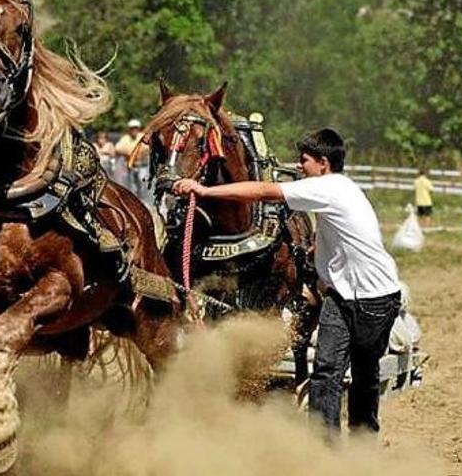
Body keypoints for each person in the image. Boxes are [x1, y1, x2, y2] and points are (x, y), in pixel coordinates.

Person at [173, 128, 402, 436]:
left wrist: (204, 191)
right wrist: (318, 249)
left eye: (304, 160)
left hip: (375, 301)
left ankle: (363, 444)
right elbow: (331, 227)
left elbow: (264, 191)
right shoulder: (337, 190)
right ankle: (324, 450)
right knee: (326, 371)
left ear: (323, 163)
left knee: (364, 374)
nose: (298, 166)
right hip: (339, 297)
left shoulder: (329, 188)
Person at [114, 118, 151, 203]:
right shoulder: (125, 138)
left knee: (142, 184)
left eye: (136, 128)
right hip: (131, 166)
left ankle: (144, 201)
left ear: (138, 129)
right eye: (132, 128)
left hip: (142, 165)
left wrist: (137, 153)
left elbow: (147, 149)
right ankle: (133, 201)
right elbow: (117, 148)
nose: (134, 130)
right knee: (131, 185)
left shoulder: (142, 137)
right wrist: (130, 153)